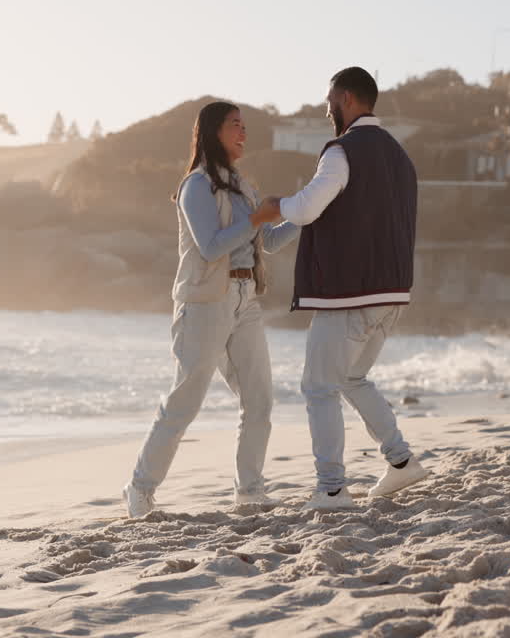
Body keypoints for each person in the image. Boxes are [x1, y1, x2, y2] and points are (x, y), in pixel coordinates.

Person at [122, 101, 295, 518]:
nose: (244, 132)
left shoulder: (242, 185)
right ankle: (140, 489)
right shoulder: (196, 186)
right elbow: (211, 246)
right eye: (235, 125)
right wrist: (258, 218)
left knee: (259, 400)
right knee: (185, 400)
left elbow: (268, 242)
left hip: (245, 299)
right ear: (213, 130)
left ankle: (249, 491)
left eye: (244, 125)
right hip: (203, 302)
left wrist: (304, 214)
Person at [266, 67, 428, 510]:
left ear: (348, 99)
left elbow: (307, 207)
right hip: (392, 292)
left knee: (319, 387)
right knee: (352, 378)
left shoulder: (341, 151)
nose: (327, 110)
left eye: (330, 101)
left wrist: (274, 206)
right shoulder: (399, 155)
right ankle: (401, 461)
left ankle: (332, 489)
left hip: (351, 294)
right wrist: (279, 231)